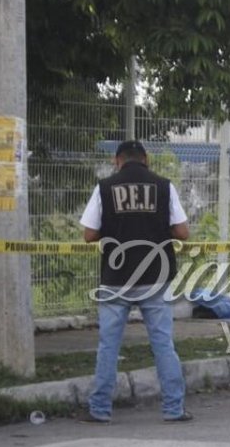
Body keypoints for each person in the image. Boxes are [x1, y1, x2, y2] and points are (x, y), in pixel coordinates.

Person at [78, 140, 192, 423]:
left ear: (117, 161)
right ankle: (174, 409)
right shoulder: (164, 186)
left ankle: (100, 409)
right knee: (163, 343)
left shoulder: (104, 187)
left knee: (108, 346)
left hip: (116, 279)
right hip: (156, 276)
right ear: (146, 160)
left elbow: (89, 234)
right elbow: (182, 232)